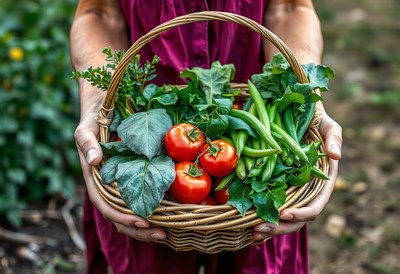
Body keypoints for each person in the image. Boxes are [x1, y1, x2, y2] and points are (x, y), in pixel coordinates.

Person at [70, 0, 342, 273]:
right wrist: (98, 102)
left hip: (249, 113)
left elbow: (289, 8)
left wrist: (307, 105)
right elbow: (100, 12)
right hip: (142, 118)